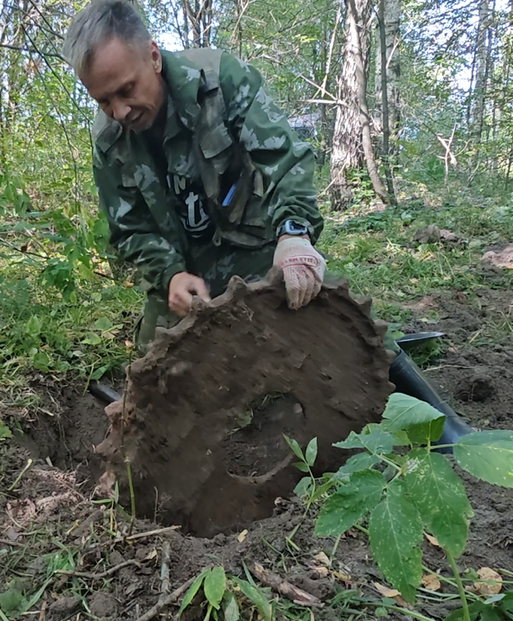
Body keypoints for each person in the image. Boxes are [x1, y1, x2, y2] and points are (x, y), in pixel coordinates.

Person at [63, 0, 472, 445]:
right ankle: (164, 461)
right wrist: (169, 276)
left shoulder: (219, 82)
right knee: (156, 366)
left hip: (252, 244)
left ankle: (442, 427)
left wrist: (294, 236)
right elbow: (130, 230)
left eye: (126, 90)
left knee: (331, 314)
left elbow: (283, 160)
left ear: (154, 58)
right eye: (103, 100)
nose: (119, 111)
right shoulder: (109, 144)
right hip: (185, 272)